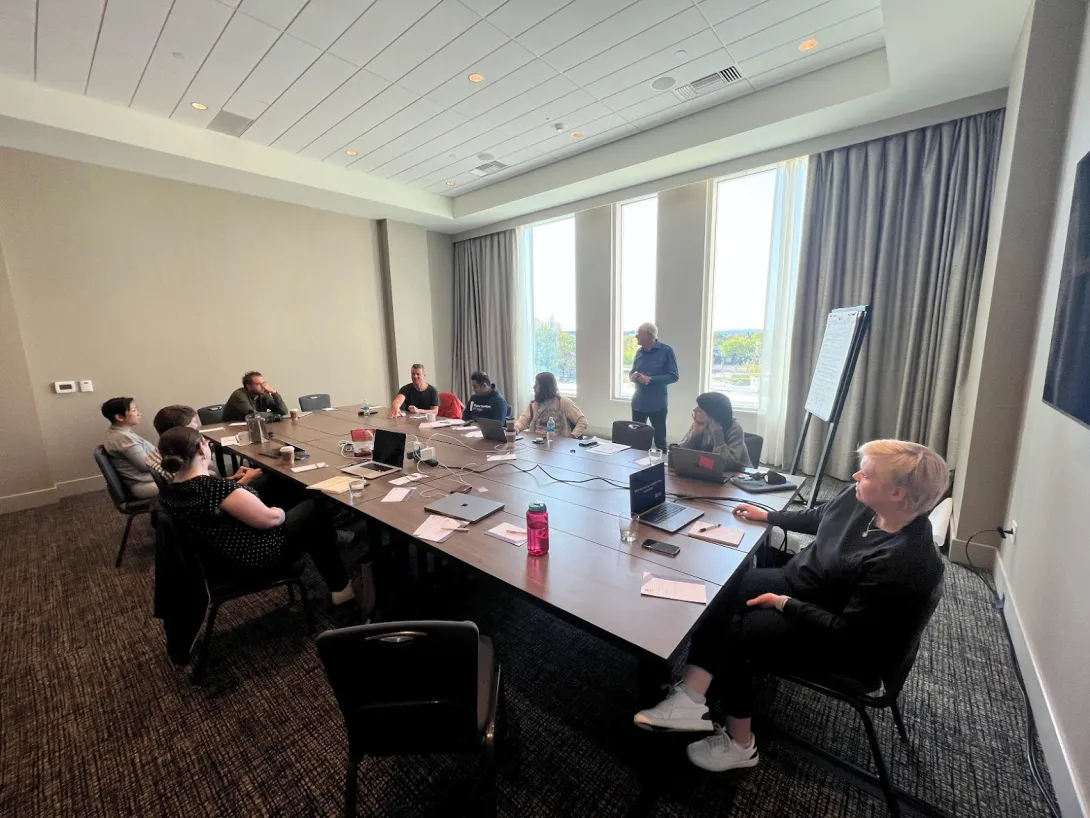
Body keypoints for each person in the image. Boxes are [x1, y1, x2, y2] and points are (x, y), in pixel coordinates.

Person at [634, 440, 947, 773]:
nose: (856, 475)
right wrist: (769, 516)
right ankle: (693, 697)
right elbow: (821, 517)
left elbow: (848, 635)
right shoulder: (866, 502)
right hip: (806, 587)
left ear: (897, 493)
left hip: (838, 636)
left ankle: (741, 744)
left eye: (866, 474)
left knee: (740, 632)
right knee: (724, 590)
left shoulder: (903, 563)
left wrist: (785, 605)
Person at [157, 426, 367, 610]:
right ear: (202, 449)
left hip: (215, 555)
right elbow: (270, 520)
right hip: (253, 558)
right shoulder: (214, 489)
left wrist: (237, 484)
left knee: (279, 484)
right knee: (312, 510)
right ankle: (341, 586)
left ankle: (328, 539)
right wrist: (280, 510)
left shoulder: (171, 490)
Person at [147, 405, 262, 486]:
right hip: (222, 512)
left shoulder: (163, 453)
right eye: (193, 424)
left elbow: (206, 487)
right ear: (181, 430)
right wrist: (247, 479)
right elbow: (216, 496)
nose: (197, 427)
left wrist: (230, 478)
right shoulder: (183, 462)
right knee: (268, 480)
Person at [629, 323, 678, 451]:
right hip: (638, 403)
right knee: (637, 439)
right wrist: (633, 376)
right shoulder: (639, 352)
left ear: (647, 334)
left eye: (638, 333)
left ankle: (662, 468)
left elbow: (674, 376)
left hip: (657, 404)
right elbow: (632, 372)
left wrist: (651, 379)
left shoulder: (666, 351)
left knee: (660, 440)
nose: (636, 336)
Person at [101, 397, 159, 499]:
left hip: (149, 480)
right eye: (134, 410)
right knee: (191, 483)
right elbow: (146, 466)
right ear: (119, 417)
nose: (139, 414)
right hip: (144, 485)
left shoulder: (121, 432)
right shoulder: (123, 438)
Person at [677, 392, 752, 467]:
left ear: (712, 417)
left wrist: (718, 435)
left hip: (740, 474)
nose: (694, 410)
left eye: (700, 410)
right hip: (708, 470)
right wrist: (695, 434)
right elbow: (679, 453)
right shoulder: (700, 424)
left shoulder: (734, 428)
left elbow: (726, 462)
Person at [514, 372, 588, 438]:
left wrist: (571, 437)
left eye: (537, 385)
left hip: (558, 444)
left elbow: (582, 421)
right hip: (537, 443)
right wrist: (516, 427)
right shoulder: (534, 404)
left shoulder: (564, 402)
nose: (534, 387)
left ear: (545, 387)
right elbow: (523, 420)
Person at [222, 371, 288, 422]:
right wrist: (276, 415)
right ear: (248, 386)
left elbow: (283, 411)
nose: (263, 386)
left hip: (253, 426)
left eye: (263, 383)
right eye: (258, 384)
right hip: (232, 429)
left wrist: (274, 393)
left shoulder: (263, 394)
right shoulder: (238, 395)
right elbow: (253, 416)